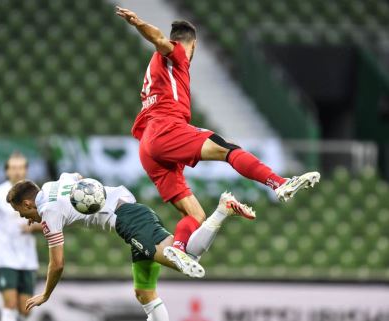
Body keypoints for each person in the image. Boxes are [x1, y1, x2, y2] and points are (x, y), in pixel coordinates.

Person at [115, 7, 320, 258]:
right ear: (194, 45)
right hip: (165, 129)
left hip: (148, 147)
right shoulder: (176, 53)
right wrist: (138, 23)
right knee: (227, 148)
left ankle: (178, 249)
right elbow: (158, 38)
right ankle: (279, 183)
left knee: (196, 216)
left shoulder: (155, 70)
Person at [6, 172, 255, 321]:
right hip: (129, 211)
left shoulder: (49, 213)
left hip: (128, 220)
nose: (24, 218)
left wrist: (46, 294)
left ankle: (222, 209)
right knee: (144, 292)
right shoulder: (52, 186)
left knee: (189, 258)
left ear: (28, 202)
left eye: (20, 212)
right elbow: (78, 178)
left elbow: (57, 264)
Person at [0, 152, 41, 321]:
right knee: (10, 304)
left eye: (20, 168)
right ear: (7, 171)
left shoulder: (36, 194)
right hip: (5, 256)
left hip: (27, 258)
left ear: (26, 170)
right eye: (13, 168)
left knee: (25, 309)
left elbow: (46, 223)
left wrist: (33, 228)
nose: (17, 172)